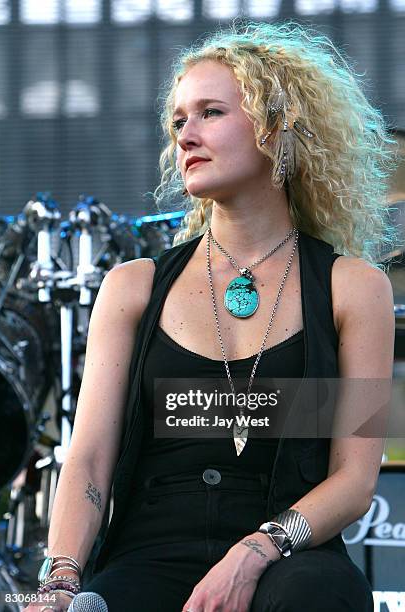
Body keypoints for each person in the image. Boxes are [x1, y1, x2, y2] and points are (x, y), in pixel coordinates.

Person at [25, 20, 397, 612]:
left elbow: (354, 480)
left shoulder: (354, 288)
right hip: (147, 555)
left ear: (276, 128)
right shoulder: (133, 288)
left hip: (291, 558)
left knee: (312, 597)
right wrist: (60, 582)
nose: (186, 135)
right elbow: (90, 456)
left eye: (211, 113)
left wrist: (255, 551)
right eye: (178, 121)